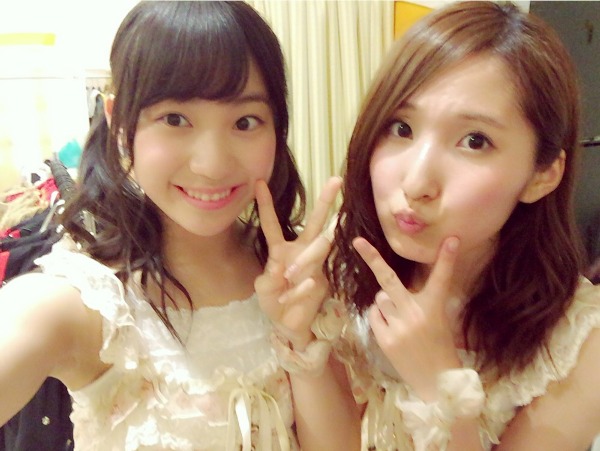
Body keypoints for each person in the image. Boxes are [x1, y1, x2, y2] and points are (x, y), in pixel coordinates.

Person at [0, 1, 356, 450]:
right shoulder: (85, 302)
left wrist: (301, 338)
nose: (212, 165)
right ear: (119, 123)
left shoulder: (296, 276)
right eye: (175, 119)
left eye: (245, 122)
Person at [321, 1, 600, 450]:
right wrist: (300, 341)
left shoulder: (581, 342)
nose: (416, 183)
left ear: (542, 174)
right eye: (401, 128)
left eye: (474, 140)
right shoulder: (337, 273)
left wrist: (443, 388)